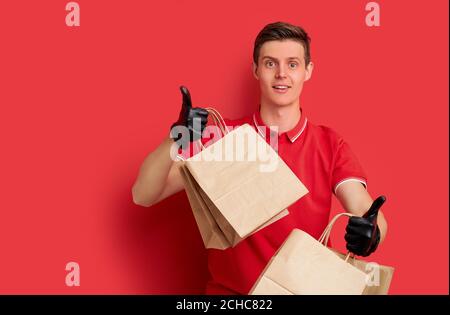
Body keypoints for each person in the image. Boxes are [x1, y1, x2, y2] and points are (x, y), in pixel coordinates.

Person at [131, 21, 388, 294]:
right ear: (256, 70)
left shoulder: (329, 144)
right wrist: (175, 138)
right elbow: (144, 195)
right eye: (269, 63)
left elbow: (362, 204)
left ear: (307, 71)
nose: (281, 74)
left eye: (292, 64)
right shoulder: (222, 137)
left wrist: (373, 232)